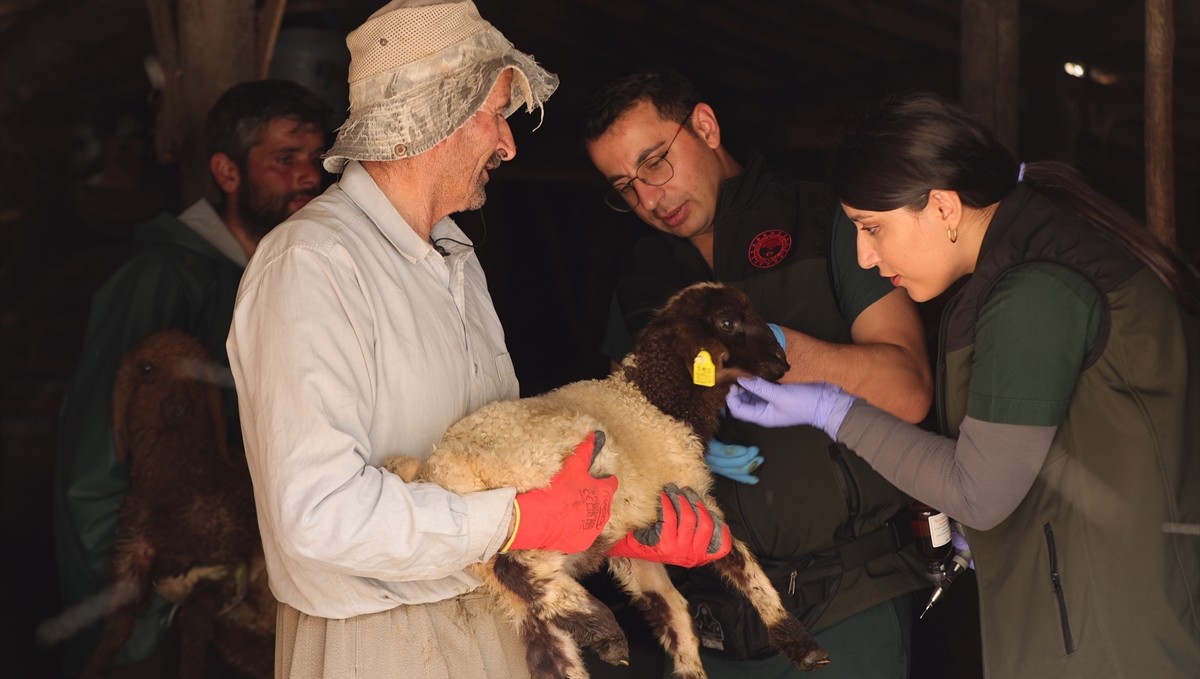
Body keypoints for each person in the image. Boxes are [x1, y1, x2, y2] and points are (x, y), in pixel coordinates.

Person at [224, 4, 729, 679]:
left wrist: (616, 522)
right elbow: (318, 516)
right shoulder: (312, 264)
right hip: (378, 647)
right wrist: (517, 521)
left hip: (493, 625)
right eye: (496, 114)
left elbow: (508, 486)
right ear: (435, 115)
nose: (509, 145)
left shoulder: (455, 260)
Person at [726, 91, 1200, 678]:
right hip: (1111, 612)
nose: (865, 256)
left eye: (871, 228)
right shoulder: (1043, 255)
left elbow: (977, 493)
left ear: (944, 208)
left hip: (1110, 638)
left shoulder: (1035, 293)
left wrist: (833, 409)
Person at [582, 67, 934, 678]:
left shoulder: (826, 221)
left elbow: (910, 390)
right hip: (714, 611)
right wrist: (679, 452)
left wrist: (781, 351)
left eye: (655, 162)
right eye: (625, 187)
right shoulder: (643, 282)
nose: (651, 199)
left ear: (705, 126)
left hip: (848, 595)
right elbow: (618, 438)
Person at [52, 79, 332, 677]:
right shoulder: (161, 279)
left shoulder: (290, 275)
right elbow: (94, 458)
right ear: (227, 173)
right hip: (156, 609)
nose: (310, 175)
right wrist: (134, 617)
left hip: (237, 598)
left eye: (317, 157)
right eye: (286, 158)